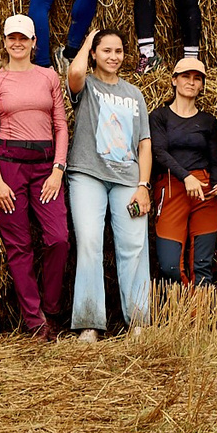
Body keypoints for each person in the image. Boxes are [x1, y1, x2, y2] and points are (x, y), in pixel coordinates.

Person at [0, 17, 72, 337]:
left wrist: (58, 170)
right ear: (4, 41)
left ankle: (51, 308)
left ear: (34, 42)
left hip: (46, 167)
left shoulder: (49, 76)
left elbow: (61, 126)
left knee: (58, 238)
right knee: (19, 245)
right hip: (9, 165)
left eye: (24, 38)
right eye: (11, 37)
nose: (17, 43)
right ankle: (35, 321)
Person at [64, 30, 153, 340]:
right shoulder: (86, 85)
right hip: (88, 174)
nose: (113, 56)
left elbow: (144, 144)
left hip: (127, 179)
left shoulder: (135, 94)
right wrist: (87, 40)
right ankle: (89, 323)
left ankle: (139, 322)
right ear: (94, 54)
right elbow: (74, 72)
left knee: (134, 247)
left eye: (118, 51)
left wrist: (144, 185)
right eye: (106, 50)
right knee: (89, 243)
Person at [148, 57, 217, 287]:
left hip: (204, 191)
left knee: (202, 263)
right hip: (172, 187)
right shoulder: (160, 116)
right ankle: (179, 312)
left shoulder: (208, 121)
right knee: (169, 265)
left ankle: (200, 317)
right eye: (185, 76)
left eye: (197, 78)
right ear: (174, 80)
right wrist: (186, 176)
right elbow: (159, 151)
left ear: (202, 85)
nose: (191, 82)